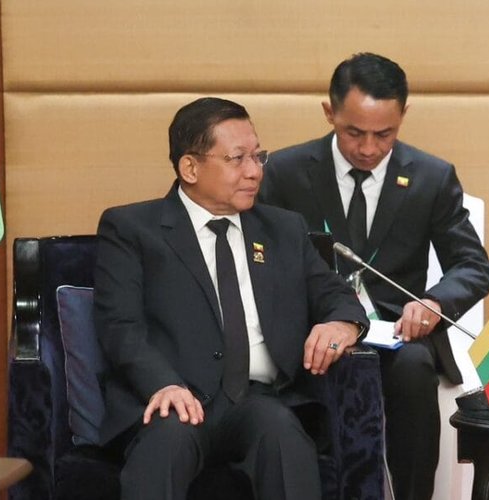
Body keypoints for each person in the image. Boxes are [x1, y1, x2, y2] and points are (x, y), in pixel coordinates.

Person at [93, 97, 367, 500]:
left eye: (258, 156)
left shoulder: (283, 229)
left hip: (258, 399)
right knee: (167, 442)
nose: (254, 171)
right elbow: (120, 326)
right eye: (237, 159)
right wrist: (163, 384)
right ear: (190, 167)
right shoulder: (132, 229)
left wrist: (342, 322)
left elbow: (335, 294)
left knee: (284, 436)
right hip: (175, 396)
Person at [259, 52, 489, 500]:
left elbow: (474, 264)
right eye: (354, 132)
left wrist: (436, 302)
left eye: (384, 134)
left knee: (414, 367)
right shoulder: (286, 173)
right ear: (329, 112)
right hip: (315, 331)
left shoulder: (431, 177)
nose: (368, 148)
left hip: (396, 335)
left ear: (403, 116)